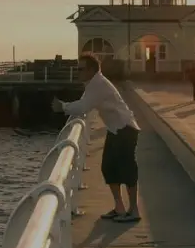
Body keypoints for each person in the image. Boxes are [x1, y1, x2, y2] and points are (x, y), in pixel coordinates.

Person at [51, 53, 140, 222]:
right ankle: (119, 208)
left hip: (125, 129)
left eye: (81, 69)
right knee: (108, 168)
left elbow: (84, 106)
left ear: (91, 70)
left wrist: (62, 106)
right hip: (116, 129)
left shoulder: (98, 84)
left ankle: (134, 211)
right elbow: (84, 103)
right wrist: (66, 106)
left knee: (127, 170)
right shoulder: (93, 84)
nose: (78, 72)